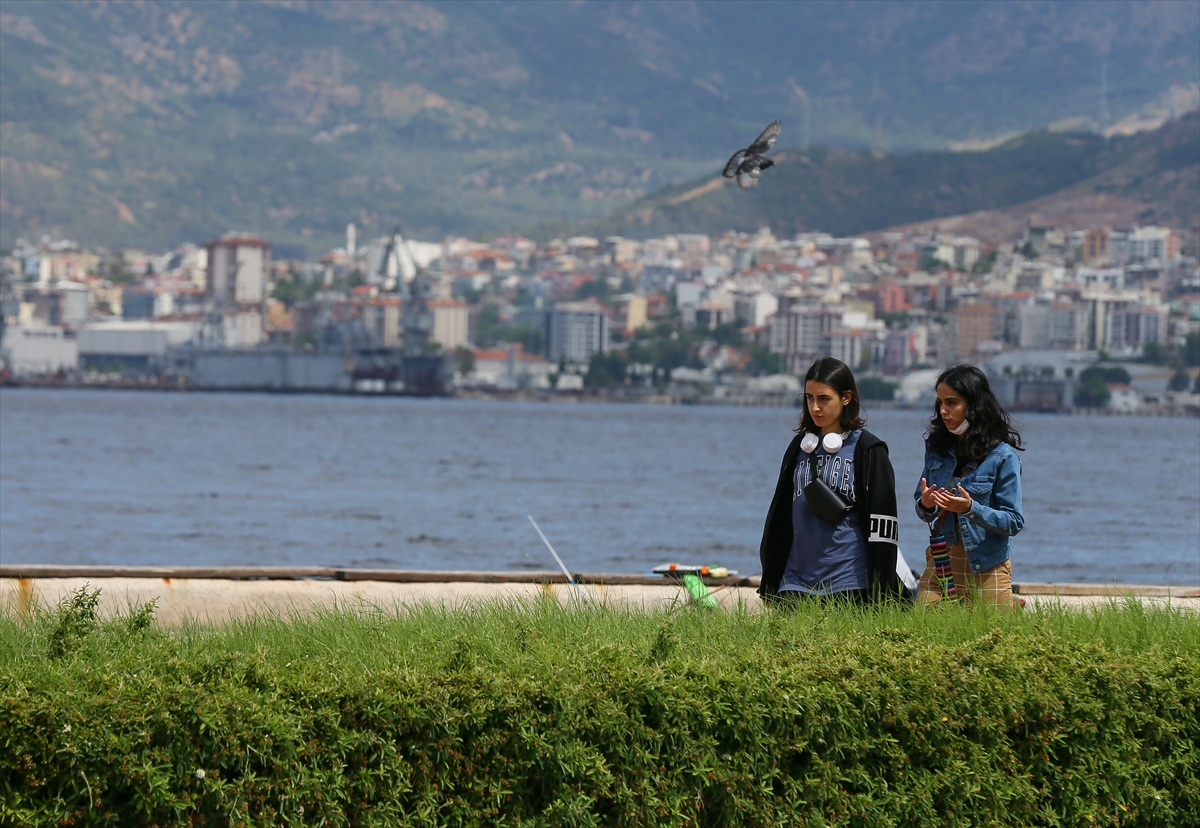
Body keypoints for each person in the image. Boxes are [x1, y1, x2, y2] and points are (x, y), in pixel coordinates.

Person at [758, 357, 901, 604]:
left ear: (846, 398)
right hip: (795, 582)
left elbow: (884, 526)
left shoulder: (869, 450)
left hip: (849, 581)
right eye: (809, 398)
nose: (814, 407)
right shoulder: (799, 448)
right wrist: (770, 581)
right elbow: (780, 517)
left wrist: (884, 590)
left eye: (823, 398)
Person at [915, 364, 1025, 608]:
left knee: (995, 636)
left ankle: (1011, 605)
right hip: (942, 558)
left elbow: (1014, 521)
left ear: (974, 405)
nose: (943, 410)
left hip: (987, 563)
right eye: (940, 402)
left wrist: (970, 508)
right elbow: (923, 511)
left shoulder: (1003, 457)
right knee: (925, 627)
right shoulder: (937, 450)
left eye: (951, 403)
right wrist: (926, 503)